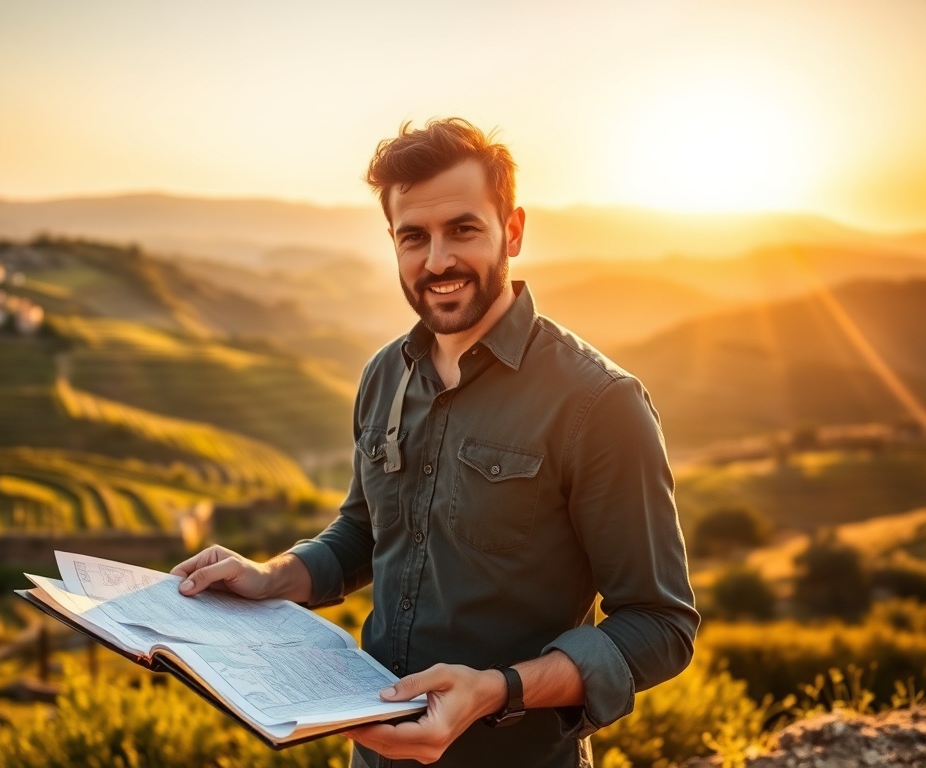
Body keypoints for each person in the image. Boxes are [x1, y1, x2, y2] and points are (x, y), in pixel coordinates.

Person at [173, 118, 699, 767]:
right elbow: (364, 532)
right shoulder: (383, 374)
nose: (438, 260)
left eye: (463, 230)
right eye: (414, 237)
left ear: (512, 230)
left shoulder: (599, 403)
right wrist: (270, 576)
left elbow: (660, 625)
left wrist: (496, 690)